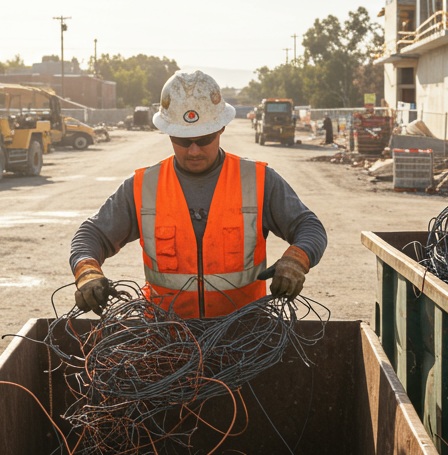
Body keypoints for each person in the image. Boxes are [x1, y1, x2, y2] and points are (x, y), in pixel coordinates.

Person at [70, 70, 327, 319]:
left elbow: (309, 226)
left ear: (221, 129)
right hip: (168, 339)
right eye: (183, 140)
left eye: (203, 139)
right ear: (168, 133)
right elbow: (92, 235)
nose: (193, 151)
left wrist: (296, 260)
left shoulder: (258, 180)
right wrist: (87, 272)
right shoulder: (143, 186)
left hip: (245, 337)